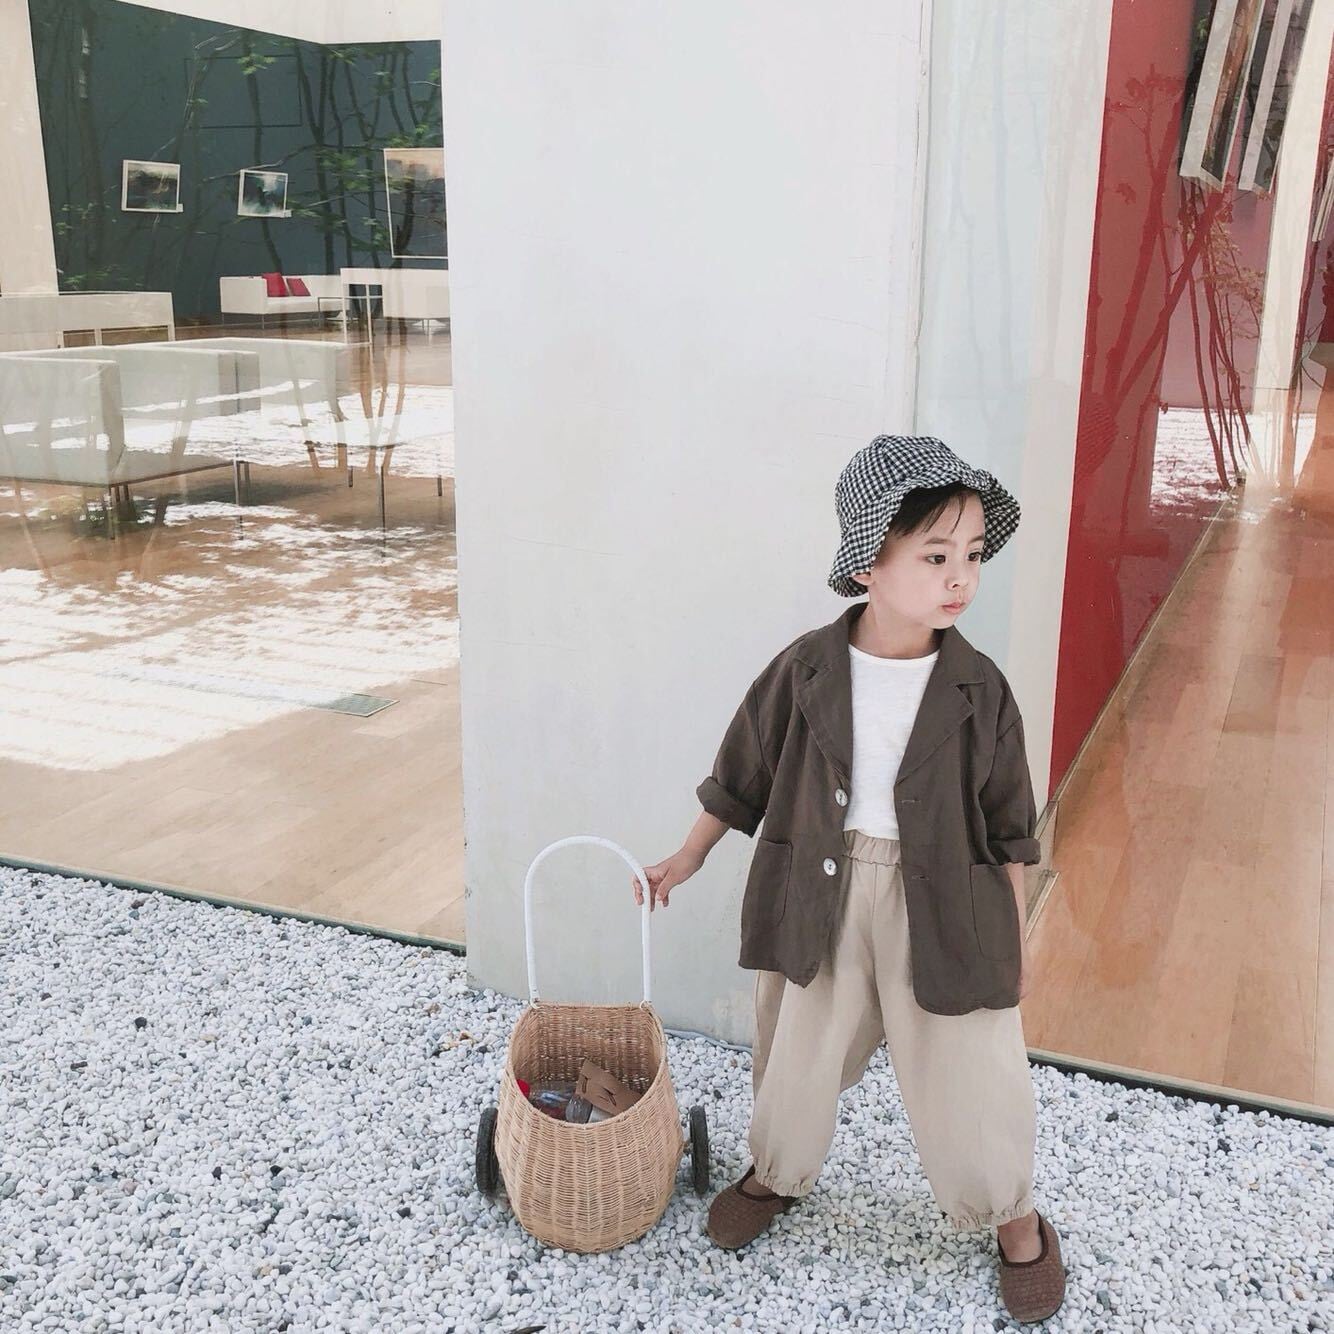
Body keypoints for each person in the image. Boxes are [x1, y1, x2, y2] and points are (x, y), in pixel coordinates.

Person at [633, 435, 1066, 1324]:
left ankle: (1014, 1216)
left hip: (946, 898)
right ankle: (776, 1171)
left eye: (972, 555)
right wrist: (689, 854)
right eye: (936, 557)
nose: (961, 577)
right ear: (870, 561)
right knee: (797, 1043)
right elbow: (743, 773)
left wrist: (1017, 938)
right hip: (820, 886)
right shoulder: (808, 669)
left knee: (972, 1063)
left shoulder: (979, 689)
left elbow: (1009, 828)